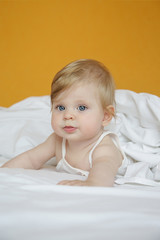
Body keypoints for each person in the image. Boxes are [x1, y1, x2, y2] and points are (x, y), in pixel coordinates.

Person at [1, 59, 125, 187]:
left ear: (105, 116)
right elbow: (30, 159)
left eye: (81, 108)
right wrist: (4, 171)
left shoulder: (104, 148)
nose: (67, 115)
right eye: (60, 107)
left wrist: (92, 183)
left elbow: (104, 171)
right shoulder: (57, 140)